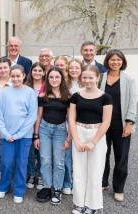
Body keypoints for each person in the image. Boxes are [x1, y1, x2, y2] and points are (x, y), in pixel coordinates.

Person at [68, 65, 112, 214]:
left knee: (95, 171)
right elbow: (71, 119)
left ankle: (92, 206)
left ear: (97, 78)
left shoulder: (106, 97)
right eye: (84, 77)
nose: (87, 80)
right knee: (79, 171)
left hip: (96, 135)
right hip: (79, 132)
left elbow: (106, 121)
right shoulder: (76, 96)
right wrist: (77, 140)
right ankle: (79, 204)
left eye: (91, 77)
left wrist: (93, 142)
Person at [0, 64, 37, 204]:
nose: (15, 78)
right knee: (6, 163)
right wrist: (5, 133)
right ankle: (3, 186)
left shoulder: (30, 93)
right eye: (13, 76)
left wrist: (18, 135)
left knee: (21, 163)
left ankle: (19, 190)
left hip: (23, 137)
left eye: (18, 76)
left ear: (24, 76)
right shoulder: (4, 92)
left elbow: (32, 116)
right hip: (7, 136)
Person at [100, 49, 137, 202]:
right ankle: (103, 183)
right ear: (107, 61)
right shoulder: (100, 78)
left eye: (118, 60)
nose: (115, 62)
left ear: (122, 62)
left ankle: (119, 188)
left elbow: (133, 103)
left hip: (121, 124)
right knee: (102, 155)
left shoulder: (129, 80)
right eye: (112, 59)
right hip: (103, 124)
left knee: (121, 157)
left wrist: (129, 123)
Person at [33, 67, 71, 205]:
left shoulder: (68, 97)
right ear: (47, 79)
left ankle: (58, 189)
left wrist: (69, 138)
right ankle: (47, 187)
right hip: (44, 130)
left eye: (57, 77)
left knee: (59, 161)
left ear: (62, 79)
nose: (54, 80)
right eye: (51, 77)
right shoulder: (43, 96)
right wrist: (36, 136)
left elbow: (71, 119)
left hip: (61, 131)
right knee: (45, 159)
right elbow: (38, 116)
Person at [63, 58, 84, 194]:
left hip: (83, 122)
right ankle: (67, 182)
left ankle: (80, 183)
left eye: (77, 68)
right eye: (71, 68)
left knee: (81, 154)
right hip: (66, 120)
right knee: (67, 154)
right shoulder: (64, 85)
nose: (74, 70)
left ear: (81, 69)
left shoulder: (86, 84)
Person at [25, 62, 45, 190]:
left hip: (44, 123)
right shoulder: (26, 86)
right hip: (28, 124)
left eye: (40, 70)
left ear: (44, 72)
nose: (37, 73)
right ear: (31, 72)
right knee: (30, 152)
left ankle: (41, 176)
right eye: (35, 70)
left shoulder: (47, 86)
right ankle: (31, 175)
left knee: (42, 152)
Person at [0, 57, 13, 180]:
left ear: (9, 67)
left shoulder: (15, 82)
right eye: (0, 68)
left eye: (5, 67)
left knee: (9, 147)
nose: (3, 70)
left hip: (11, 120)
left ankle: (8, 170)